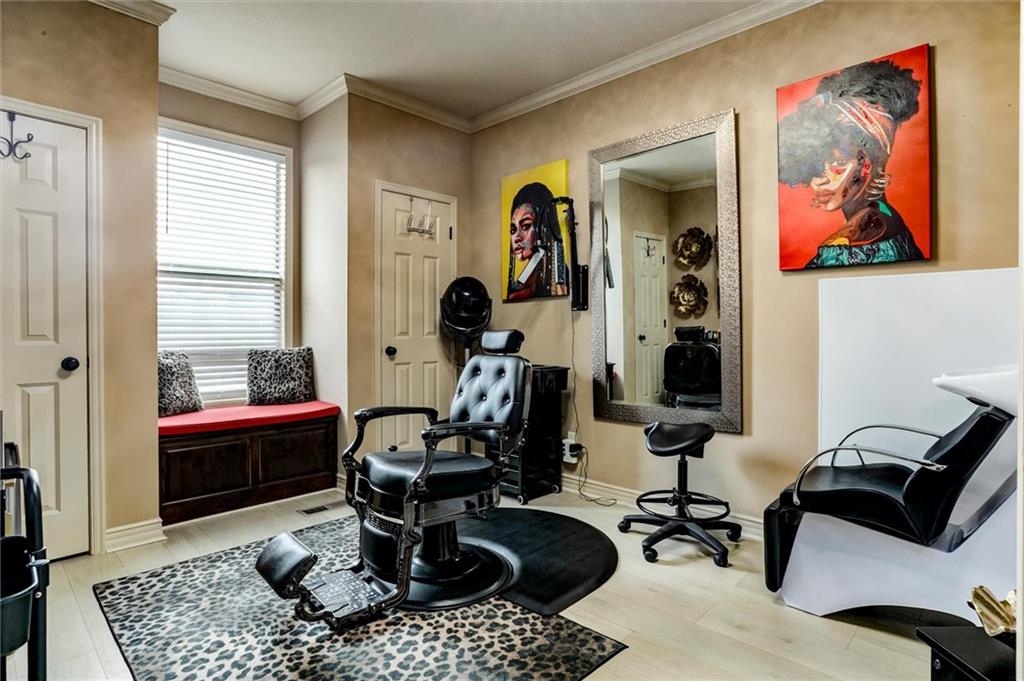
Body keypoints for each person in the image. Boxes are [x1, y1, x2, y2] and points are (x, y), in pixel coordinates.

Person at [778, 59, 924, 268]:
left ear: (868, 163)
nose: (819, 180)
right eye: (817, 162)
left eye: (837, 162)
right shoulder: (887, 217)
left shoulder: (854, 247)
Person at [506, 182, 568, 300]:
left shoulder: (561, 279)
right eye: (513, 229)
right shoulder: (519, 288)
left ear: (543, 228)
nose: (517, 237)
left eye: (525, 226)